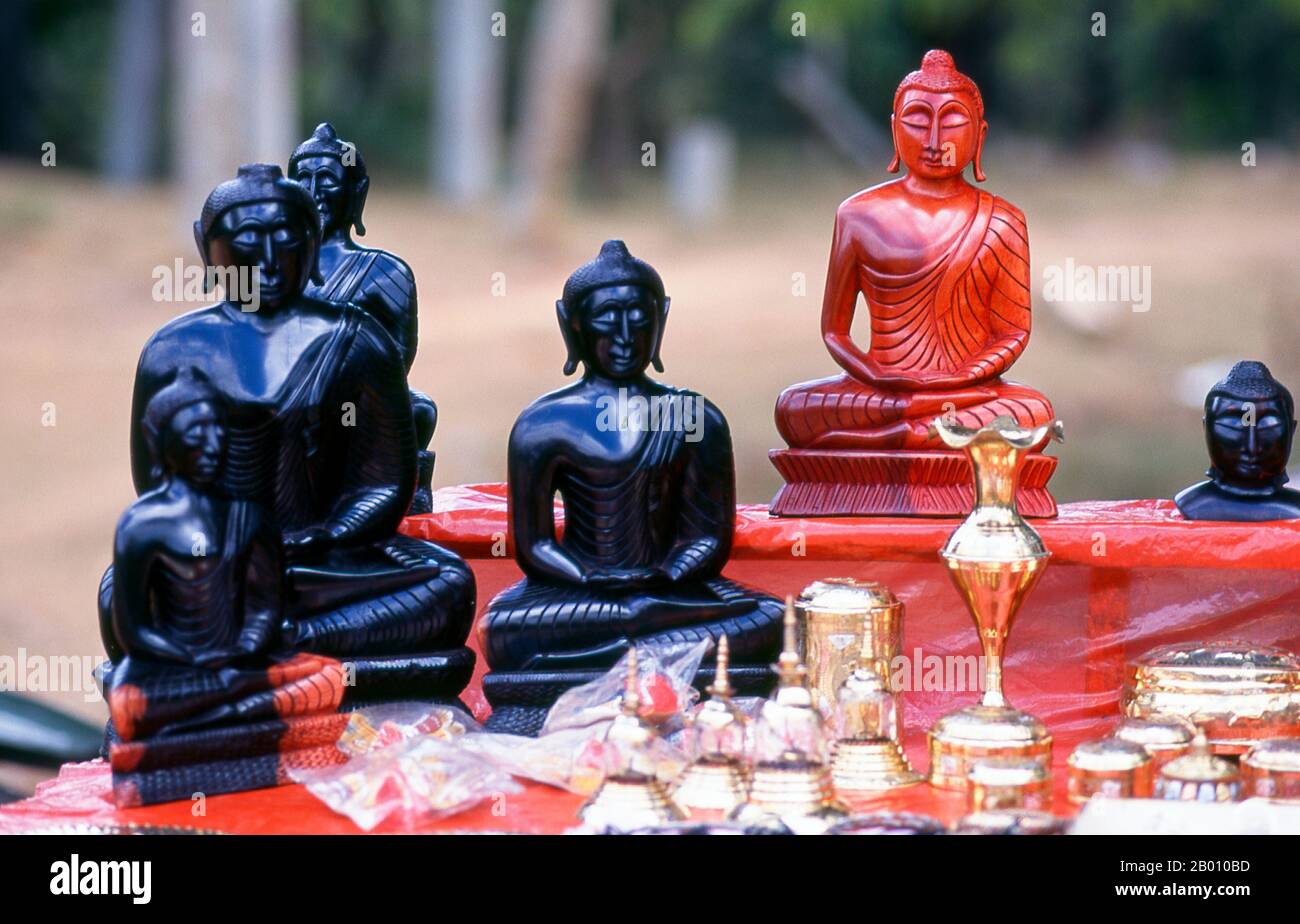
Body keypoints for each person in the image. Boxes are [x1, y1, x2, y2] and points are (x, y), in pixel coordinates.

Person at [481, 240, 784, 672]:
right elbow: (535, 546)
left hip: (669, 593)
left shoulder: (694, 418)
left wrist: (667, 576)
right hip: (582, 594)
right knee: (503, 627)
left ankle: (618, 658)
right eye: (607, 317)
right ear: (573, 326)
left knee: (772, 619)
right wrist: (587, 577)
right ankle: (653, 654)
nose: (624, 335)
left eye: (638, 317)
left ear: (661, 319)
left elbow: (707, 539)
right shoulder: (542, 424)